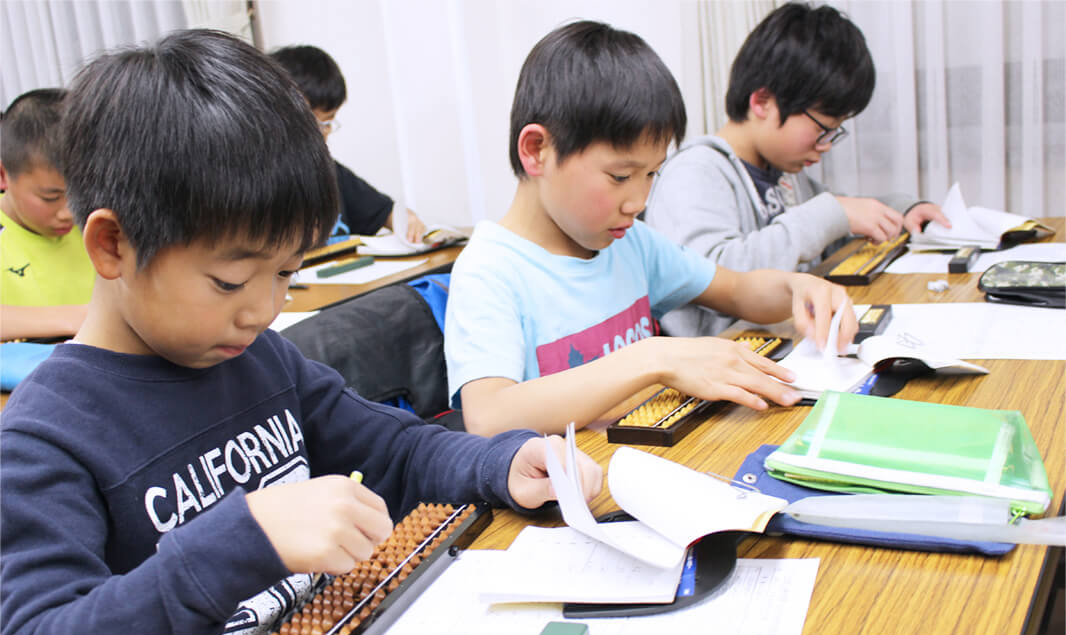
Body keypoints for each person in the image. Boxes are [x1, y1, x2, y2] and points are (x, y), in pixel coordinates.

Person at [0, 30, 601, 635]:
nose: (264, 309)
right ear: (112, 245)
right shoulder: (45, 437)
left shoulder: (261, 359)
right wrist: (242, 539)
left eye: (286, 272)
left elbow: (395, 450)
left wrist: (499, 464)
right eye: (230, 281)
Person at [443, 20, 856, 438]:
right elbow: (489, 416)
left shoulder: (630, 243)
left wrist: (795, 289)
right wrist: (654, 358)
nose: (638, 202)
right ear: (538, 150)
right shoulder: (491, 270)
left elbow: (736, 291)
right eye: (621, 177)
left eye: (652, 175)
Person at [643, 2, 950, 336]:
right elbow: (719, 279)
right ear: (762, 102)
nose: (826, 145)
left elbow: (841, 216)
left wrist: (903, 209)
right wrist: (830, 215)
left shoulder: (781, 172)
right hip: (724, 361)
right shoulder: (694, 172)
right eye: (822, 129)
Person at [269, 44, 428, 244]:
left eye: (327, 123)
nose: (321, 134)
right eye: (312, 123)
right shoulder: (259, 185)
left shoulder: (329, 172)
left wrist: (409, 222)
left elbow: (386, 213)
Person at [0, 88, 94, 341]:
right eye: (50, 198)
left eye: (80, 193)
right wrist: (81, 318)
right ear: (3, 176)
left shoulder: (97, 219)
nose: (69, 213)